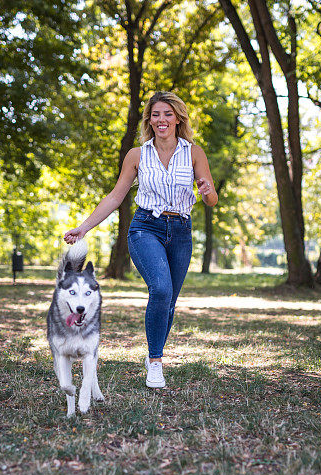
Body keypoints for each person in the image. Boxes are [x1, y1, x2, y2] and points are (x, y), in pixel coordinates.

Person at [63, 91, 218, 389]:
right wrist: (84, 228)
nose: (161, 120)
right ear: (149, 119)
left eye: (168, 114)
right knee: (160, 289)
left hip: (181, 231)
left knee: (169, 301)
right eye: (156, 114)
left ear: (178, 118)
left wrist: (206, 190)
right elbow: (116, 196)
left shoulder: (194, 152)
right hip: (146, 227)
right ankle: (156, 362)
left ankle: (154, 356)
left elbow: (210, 199)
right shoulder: (137, 155)